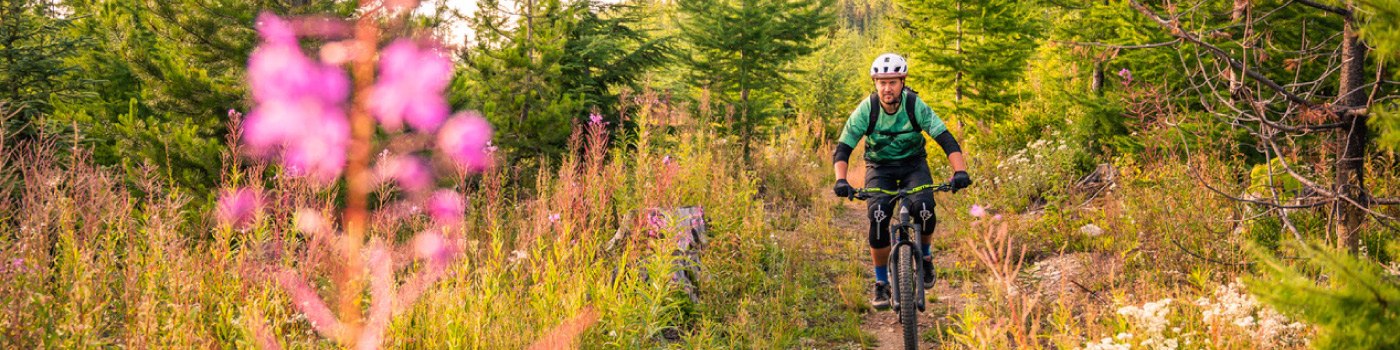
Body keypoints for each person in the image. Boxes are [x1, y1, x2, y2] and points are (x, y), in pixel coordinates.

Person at [831, 53, 971, 310]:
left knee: (925, 209)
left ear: (902, 82)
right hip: (879, 167)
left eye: (893, 82)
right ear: (875, 83)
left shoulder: (914, 105)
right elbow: (843, 148)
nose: (887, 88)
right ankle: (881, 282)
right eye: (882, 82)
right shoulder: (867, 109)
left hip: (913, 165)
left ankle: (926, 257)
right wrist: (841, 180)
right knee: (879, 216)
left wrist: (959, 172)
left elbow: (945, 138)